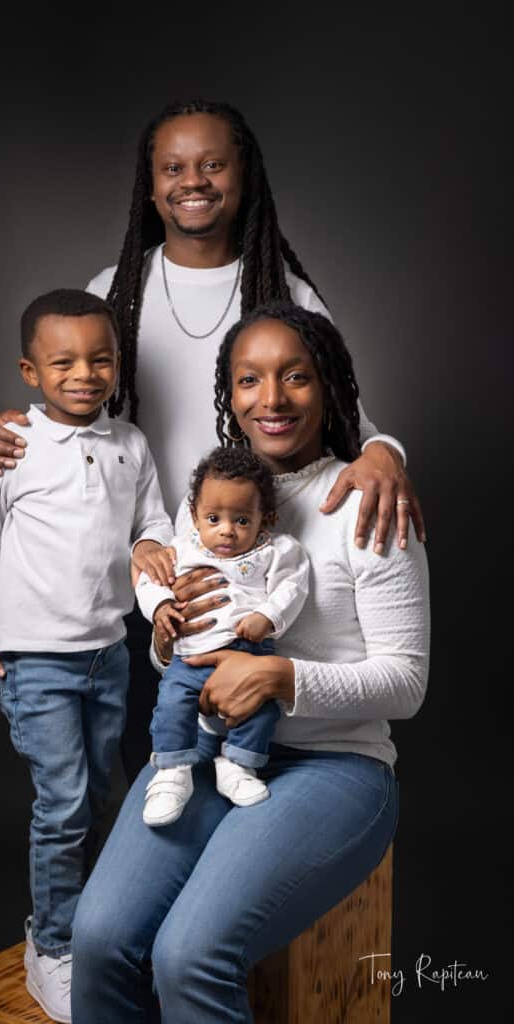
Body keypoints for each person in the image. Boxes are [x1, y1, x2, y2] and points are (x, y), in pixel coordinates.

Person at [0, 98, 426, 780]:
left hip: (250, 568)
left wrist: (387, 451)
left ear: (244, 178)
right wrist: (4, 429)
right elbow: (72, 404)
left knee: (233, 767)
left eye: (213, 164)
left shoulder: (284, 290)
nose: (194, 180)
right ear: (149, 186)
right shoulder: (116, 288)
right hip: (147, 582)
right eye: (173, 166)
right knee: (137, 774)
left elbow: (342, 409)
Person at [69, 302, 430, 1024]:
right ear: (228, 395)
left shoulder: (367, 501)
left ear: (327, 385)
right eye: (248, 380)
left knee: (189, 954)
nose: (271, 399)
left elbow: (406, 684)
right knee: (100, 940)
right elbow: (179, 634)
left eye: (294, 376)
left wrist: (280, 676)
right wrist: (167, 636)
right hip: (201, 755)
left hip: (332, 767)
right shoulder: (209, 502)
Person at [0, 288, 173, 1023]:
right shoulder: (16, 445)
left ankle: (94, 932)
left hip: (109, 656)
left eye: (100, 359)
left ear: (117, 366)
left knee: (104, 800)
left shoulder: (132, 445)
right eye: (63, 362)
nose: (84, 373)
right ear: (29, 370)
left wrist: (152, 540)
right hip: (35, 661)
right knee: (62, 806)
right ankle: (51, 946)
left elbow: (154, 518)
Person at [137, 446, 309, 825]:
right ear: (195, 516)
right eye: (213, 518)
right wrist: (162, 607)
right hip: (190, 657)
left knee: (262, 710)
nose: (226, 530)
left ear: (267, 518)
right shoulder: (181, 549)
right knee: (171, 704)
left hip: (250, 655)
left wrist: (268, 615)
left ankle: (237, 766)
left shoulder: (278, 551)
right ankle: (171, 773)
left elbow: (293, 588)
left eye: (242, 520)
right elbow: (150, 582)